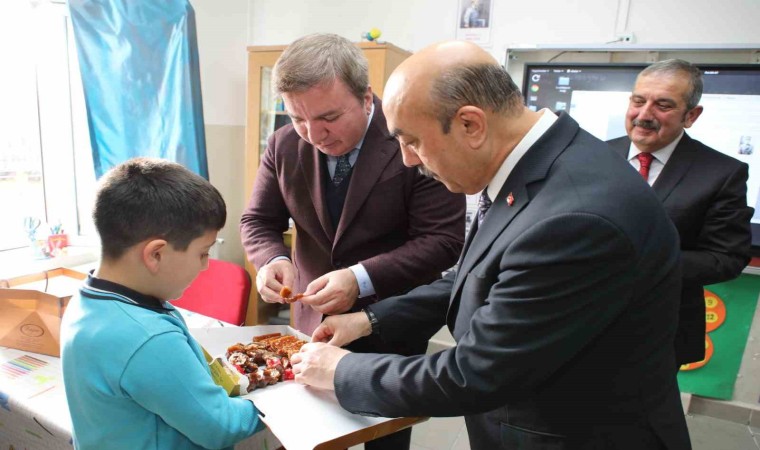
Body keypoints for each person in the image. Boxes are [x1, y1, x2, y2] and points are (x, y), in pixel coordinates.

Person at [290, 41, 692, 450]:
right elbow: (481, 275)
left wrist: (342, 371)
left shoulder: (574, 218)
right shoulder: (541, 164)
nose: (409, 160)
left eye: (412, 141)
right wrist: (369, 320)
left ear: (471, 125)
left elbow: (475, 372)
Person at [239, 33, 465, 450]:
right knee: (309, 432)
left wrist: (359, 278)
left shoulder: (412, 137)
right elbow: (258, 220)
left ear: (365, 97)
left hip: (393, 324)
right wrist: (271, 259)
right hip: (313, 325)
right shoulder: (284, 144)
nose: (314, 134)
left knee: (386, 438)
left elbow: (443, 240)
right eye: (298, 118)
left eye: (328, 117)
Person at [61, 158, 263, 450]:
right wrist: (282, 399)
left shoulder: (87, 299)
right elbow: (223, 426)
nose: (205, 265)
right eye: (203, 253)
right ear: (156, 254)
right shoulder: (148, 339)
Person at [607, 59, 753, 366]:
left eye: (663, 105)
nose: (644, 115)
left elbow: (726, 258)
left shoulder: (722, 173)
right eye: (638, 101)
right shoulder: (593, 155)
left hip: (658, 335)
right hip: (581, 322)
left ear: (691, 115)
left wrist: (638, 264)